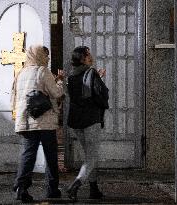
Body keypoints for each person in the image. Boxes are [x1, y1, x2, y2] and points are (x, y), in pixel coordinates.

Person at [11, 45, 64, 203]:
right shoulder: (43, 71)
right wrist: (60, 81)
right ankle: (52, 189)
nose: (47, 58)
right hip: (44, 122)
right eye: (45, 55)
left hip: (26, 122)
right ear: (39, 55)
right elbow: (56, 93)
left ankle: (21, 188)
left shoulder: (21, 73)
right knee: (51, 156)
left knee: (28, 155)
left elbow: (14, 97)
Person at [66, 46, 109, 201]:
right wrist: (100, 80)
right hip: (91, 119)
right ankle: (76, 184)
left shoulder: (71, 75)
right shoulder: (91, 72)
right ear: (83, 58)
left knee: (89, 155)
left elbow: (79, 95)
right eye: (88, 54)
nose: (91, 56)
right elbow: (100, 95)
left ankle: (94, 188)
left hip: (77, 121)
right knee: (91, 157)